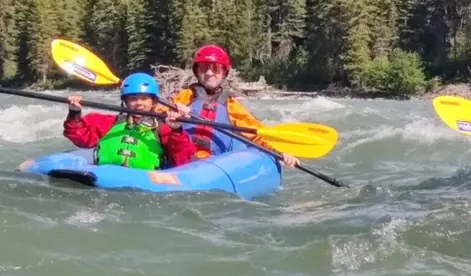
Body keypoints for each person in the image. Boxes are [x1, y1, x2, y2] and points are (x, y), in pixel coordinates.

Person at [170, 44, 300, 167]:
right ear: (197, 72)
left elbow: (255, 131)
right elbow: (161, 113)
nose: (209, 73)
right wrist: (173, 114)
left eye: (215, 68)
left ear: (224, 73)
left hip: (214, 165)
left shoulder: (230, 104)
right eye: (204, 68)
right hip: (183, 159)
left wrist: (280, 152)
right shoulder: (185, 96)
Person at [64, 73, 197, 169]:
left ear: (154, 102)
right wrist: (74, 113)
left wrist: (176, 130)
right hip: (106, 177)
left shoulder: (163, 127)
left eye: (144, 98)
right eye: (133, 98)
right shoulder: (109, 122)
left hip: (144, 182)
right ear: (125, 102)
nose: (138, 103)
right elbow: (81, 138)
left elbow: (182, 160)